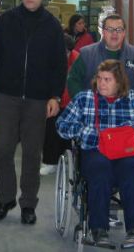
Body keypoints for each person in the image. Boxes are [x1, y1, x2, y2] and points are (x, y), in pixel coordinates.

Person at [0, 0, 67, 225]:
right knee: (2, 149)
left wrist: (54, 96)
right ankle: (6, 198)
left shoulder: (52, 26)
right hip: (7, 96)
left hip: (37, 100)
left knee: (32, 153)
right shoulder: (7, 21)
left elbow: (59, 66)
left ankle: (28, 204)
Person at [57, 59, 134, 249]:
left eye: (107, 79)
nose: (101, 83)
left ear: (119, 82)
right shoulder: (84, 99)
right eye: (99, 78)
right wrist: (87, 133)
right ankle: (98, 229)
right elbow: (62, 125)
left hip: (126, 151)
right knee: (99, 168)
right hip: (96, 149)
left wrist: (133, 135)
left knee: (133, 170)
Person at [67, 14, 134, 98]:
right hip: (93, 109)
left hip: (125, 109)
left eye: (119, 30)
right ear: (103, 32)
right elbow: (73, 81)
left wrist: (129, 103)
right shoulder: (86, 55)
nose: (114, 33)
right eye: (110, 29)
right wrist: (85, 102)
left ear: (124, 33)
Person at [39, 33, 78, 175]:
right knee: (50, 130)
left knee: (70, 131)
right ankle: (50, 161)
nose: (65, 55)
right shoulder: (47, 59)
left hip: (71, 103)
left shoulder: (77, 59)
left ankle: (70, 158)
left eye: (68, 52)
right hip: (52, 101)